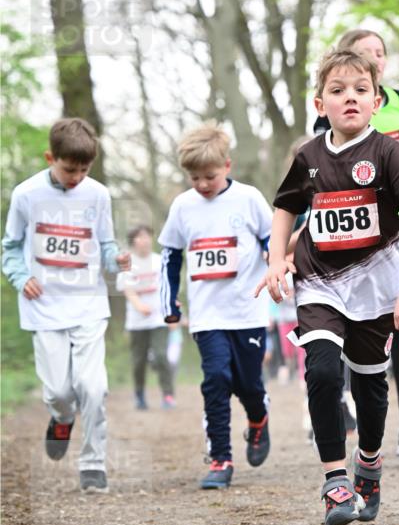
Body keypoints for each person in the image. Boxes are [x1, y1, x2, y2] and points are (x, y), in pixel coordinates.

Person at [257, 48, 399, 525]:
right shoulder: (309, 157)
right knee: (322, 372)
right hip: (319, 283)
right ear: (320, 104)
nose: (349, 98)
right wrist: (277, 261)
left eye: (360, 90)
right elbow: (284, 208)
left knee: (371, 388)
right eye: (338, 91)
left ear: (376, 102)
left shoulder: (388, 152)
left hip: (377, 286)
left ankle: (369, 464)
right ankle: (335, 479)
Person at [315, 27, 399, 457]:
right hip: (350, 230)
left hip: (397, 223)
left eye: (381, 53)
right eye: (367, 53)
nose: (377, 59)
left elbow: (396, 153)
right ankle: (345, 405)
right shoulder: (338, 104)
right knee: (353, 326)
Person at [1, 118, 130, 493]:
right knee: (59, 391)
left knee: (93, 387)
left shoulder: (98, 195)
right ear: (50, 157)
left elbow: (105, 245)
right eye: (69, 169)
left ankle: (92, 464)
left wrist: (116, 261)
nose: (76, 177)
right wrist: (21, 277)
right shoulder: (26, 195)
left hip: (88, 305)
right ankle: (61, 418)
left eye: (84, 170)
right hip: (43, 307)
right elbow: (9, 248)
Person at [159, 123, 273, 489]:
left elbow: (273, 238)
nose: (202, 184)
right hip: (207, 314)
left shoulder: (249, 198)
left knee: (249, 386)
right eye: (194, 177)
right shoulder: (183, 206)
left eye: (209, 176)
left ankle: (258, 419)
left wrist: (275, 262)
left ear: (227, 165)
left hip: (248, 310)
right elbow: (170, 256)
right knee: (217, 380)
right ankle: (221, 458)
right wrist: (169, 301)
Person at [117, 224, 176, 410]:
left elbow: (169, 288)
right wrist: (139, 306)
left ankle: (168, 395)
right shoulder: (128, 264)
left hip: (159, 319)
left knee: (160, 355)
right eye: (139, 237)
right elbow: (128, 290)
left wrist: (173, 312)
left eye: (147, 236)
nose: (144, 241)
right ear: (133, 242)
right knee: (138, 361)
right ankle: (140, 395)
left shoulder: (159, 261)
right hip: (137, 322)